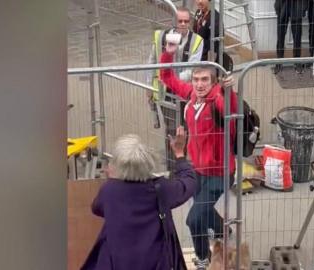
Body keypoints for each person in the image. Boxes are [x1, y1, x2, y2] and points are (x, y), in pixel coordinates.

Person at [159, 41, 237, 269]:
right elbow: (167, 78)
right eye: (196, 79)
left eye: (205, 80)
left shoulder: (218, 100)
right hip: (198, 170)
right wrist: (168, 53)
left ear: (213, 82)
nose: (200, 84)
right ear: (191, 81)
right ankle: (225, 231)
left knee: (194, 219)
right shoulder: (191, 96)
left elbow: (231, 114)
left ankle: (203, 258)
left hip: (219, 173)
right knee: (203, 211)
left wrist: (229, 91)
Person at [80, 127, 196, 270]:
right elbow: (189, 183)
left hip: (117, 263)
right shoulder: (161, 188)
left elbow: (96, 208)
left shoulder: (109, 191)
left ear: (118, 166)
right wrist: (179, 154)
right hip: (156, 263)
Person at [147, 6, 204, 171]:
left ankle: (181, 164)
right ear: (174, 21)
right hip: (164, 93)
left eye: (187, 21)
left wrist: (172, 80)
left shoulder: (197, 41)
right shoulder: (161, 36)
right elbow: (152, 61)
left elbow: (192, 68)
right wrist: (149, 85)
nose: (184, 24)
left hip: (184, 94)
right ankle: (173, 167)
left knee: (184, 129)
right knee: (171, 129)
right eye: (180, 21)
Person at [273, 0, 308, 73]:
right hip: (282, 4)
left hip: (297, 4)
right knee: (280, 35)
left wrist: (304, 6)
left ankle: (297, 61)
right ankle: (279, 61)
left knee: (297, 35)